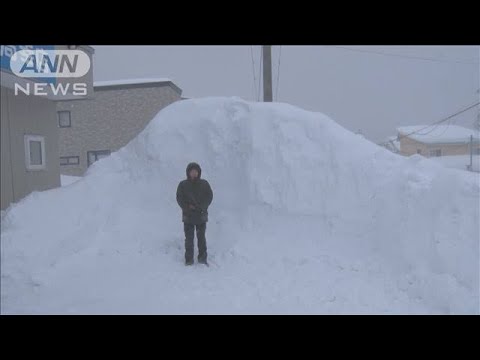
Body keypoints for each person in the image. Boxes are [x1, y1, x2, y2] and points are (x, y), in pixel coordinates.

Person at [176, 162, 213, 266]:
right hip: (188, 216)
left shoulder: (204, 184)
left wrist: (202, 207)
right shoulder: (183, 185)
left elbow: (209, 197)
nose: (194, 173)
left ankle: (202, 258)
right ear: (188, 173)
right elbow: (179, 198)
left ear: (199, 172)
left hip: (201, 216)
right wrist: (187, 207)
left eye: (195, 171)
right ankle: (189, 259)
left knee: (201, 238)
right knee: (189, 239)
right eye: (192, 171)